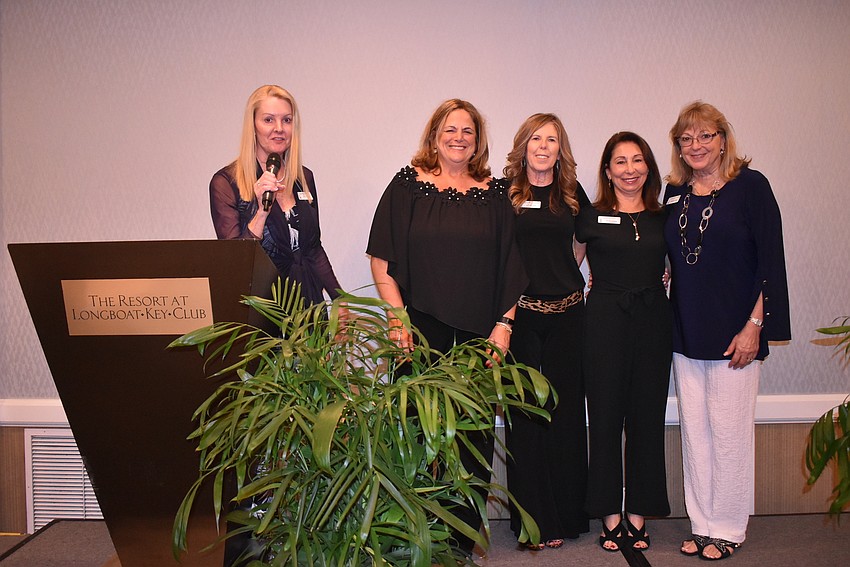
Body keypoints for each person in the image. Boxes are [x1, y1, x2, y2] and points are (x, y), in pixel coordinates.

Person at [366, 99, 528, 555]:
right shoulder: (407, 186)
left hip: (479, 336)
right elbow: (382, 259)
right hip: (418, 334)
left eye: (468, 132)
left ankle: (458, 548)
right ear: (434, 134)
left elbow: (511, 268)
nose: (459, 138)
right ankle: (412, 543)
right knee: (416, 435)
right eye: (451, 129)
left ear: (478, 141)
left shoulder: (495, 194)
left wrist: (504, 327)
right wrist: (398, 320)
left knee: (472, 443)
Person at [664, 101, 791, 561]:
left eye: (705, 136)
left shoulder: (751, 187)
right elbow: (677, 255)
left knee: (730, 432)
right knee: (695, 433)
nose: (696, 146)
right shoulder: (674, 192)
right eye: (686, 138)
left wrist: (755, 325)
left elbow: (769, 262)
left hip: (737, 331)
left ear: (722, 139)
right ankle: (701, 524)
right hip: (686, 328)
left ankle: (729, 528)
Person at [576, 132, 672, 553]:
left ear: (648, 167)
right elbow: (568, 265)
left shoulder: (664, 216)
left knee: (646, 420)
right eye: (620, 161)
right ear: (608, 170)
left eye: (637, 160)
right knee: (605, 417)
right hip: (603, 322)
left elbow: (679, 265)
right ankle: (609, 514)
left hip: (653, 320)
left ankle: (638, 514)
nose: (630, 169)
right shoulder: (591, 215)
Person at [502, 113, 590, 550]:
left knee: (566, 414)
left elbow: (581, 245)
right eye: (535, 138)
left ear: (560, 148)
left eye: (551, 139)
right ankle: (534, 522)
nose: (542, 146)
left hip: (569, 317)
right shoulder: (507, 194)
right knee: (525, 417)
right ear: (524, 145)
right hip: (522, 320)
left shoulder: (572, 194)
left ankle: (569, 516)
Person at [210, 84, 342, 305]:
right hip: (265, 310)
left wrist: (340, 298)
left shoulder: (303, 177)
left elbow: (313, 249)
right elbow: (235, 262)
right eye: (269, 120)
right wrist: (261, 212)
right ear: (253, 126)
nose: (279, 128)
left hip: (308, 307)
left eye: (287, 120)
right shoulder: (226, 183)